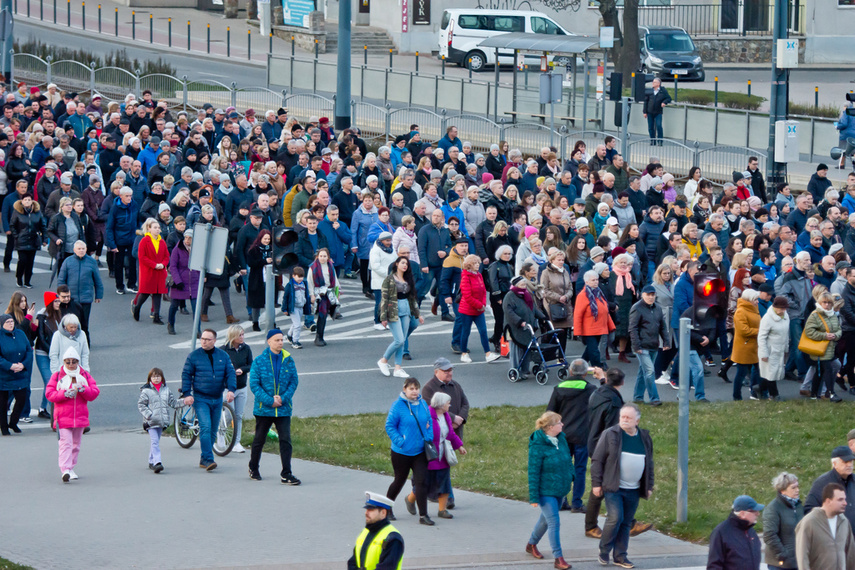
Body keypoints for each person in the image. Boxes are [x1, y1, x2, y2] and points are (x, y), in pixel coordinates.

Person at [591, 404, 654, 569]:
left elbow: (649, 463)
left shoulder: (644, 437)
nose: (624, 420)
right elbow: (597, 460)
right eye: (622, 417)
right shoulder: (610, 434)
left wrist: (649, 486)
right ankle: (604, 550)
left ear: (637, 421)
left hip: (634, 489)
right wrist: (596, 483)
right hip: (614, 487)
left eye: (628, 418)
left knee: (626, 523)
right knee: (615, 518)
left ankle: (620, 556)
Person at [248, 329, 301, 485]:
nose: (280, 343)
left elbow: (293, 382)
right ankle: (253, 467)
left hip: (283, 409)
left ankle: (286, 473)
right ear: (269, 342)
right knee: (259, 439)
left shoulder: (288, 359)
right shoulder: (259, 361)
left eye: (281, 340)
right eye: (277, 340)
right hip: (264, 409)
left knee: (285, 440)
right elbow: (254, 384)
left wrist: (283, 399)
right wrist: (269, 400)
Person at [180, 328, 236, 471]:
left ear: (214, 340)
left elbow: (230, 373)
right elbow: (186, 374)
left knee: (212, 430)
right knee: (205, 427)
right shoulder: (194, 356)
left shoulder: (223, 356)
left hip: (217, 398)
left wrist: (231, 390)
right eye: (202, 339)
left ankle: (204, 458)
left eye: (207, 339)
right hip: (201, 398)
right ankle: (209, 458)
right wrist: (187, 393)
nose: (204, 342)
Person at [546, 358, 596, 514]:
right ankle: (577, 503)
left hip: (562, 436)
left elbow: (549, 413)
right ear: (585, 373)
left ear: (570, 371)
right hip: (582, 435)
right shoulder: (591, 389)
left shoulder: (558, 388)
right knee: (580, 469)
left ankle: (562, 501)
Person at [525, 411, 573, 570]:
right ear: (551, 427)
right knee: (554, 522)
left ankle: (531, 544)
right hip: (545, 491)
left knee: (545, 520)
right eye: (559, 422)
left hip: (560, 489)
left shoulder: (561, 439)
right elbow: (533, 471)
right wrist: (533, 497)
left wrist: (571, 475)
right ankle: (558, 558)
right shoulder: (538, 445)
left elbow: (568, 459)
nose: (562, 424)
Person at [44, 346, 99, 482]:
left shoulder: (84, 376)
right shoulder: (57, 376)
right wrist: (64, 394)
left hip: (80, 417)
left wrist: (83, 389)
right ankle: (65, 469)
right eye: (67, 362)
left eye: (73, 362)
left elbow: (94, 393)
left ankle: (71, 467)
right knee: (66, 444)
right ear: (63, 362)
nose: (70, 364)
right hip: (62, 417)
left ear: (78, 362)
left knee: (75, 445)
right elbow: (49, 394)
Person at [384, 376, 434, 526]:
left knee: (421, 482)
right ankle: (387, 509)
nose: (414, 391)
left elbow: (429, 422)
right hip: (401, 453)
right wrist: (401, 441)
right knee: (399, 480)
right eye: (411, 388)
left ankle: (423, 515)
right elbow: (390, 426)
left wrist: (428, 437)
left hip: (420, 452)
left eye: (416, 388)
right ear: (404, 389)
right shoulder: (398, 406)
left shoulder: (423, 404)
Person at [418, 392, 466, 520]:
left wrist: (459, 446)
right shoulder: (426, 415)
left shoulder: (446, 416)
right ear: (440, 404)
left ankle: (442, 510)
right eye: (448, 403)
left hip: (443, 455)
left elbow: (451, 434)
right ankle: (411, 498)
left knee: (444, 482)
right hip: (430, 455)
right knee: (425, 483)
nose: (450, 405)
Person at [378, 256, 423, 378]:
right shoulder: (389, 279)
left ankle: (398, 368)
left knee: (402, 340)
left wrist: (418, 314)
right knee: (399, 340)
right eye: (403, 263)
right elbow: (384, 298)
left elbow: (412, 297)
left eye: (406, 264)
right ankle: (383, 360)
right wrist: (383, 317)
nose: (405, 265)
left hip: (406, 310)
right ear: (397, 264)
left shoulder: (408, 278)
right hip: (393, 310)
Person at [795, 482, 855, 570]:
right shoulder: (809, 522)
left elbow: (851, 554)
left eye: (845, 499)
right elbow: (802, 557)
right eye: (840, 500)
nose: (845, 503)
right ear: (828, 501)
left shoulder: (844, 522)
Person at [629, 285, 668, 406]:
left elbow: (662, 326)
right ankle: (654, 399)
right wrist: (636, 346)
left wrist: (666, 341)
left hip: (653, 345)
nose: (651, 297)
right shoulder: (637, 308)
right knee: (650, 371)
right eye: (648, 295)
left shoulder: (658, 308)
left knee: (644, 371)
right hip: (642, 346)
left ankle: (638, 397)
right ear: (642, 295)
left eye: (653, 295)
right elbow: (633, 328)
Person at [457, 254, 501, 363]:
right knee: (466, 332)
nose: (477, 265)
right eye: (474, 263)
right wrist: (479, 305)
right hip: (467, 310)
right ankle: (464, 353)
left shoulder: (479, 275)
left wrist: (483, 304)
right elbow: (467, 296)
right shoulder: (465, 277)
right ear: (469, 265)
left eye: (478, 263)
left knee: (483, 331)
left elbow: (483, 291)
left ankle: (488, 354)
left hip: (479, 310)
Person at [57, 240, 104, 340]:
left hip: (86, 298)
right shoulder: (68, 261)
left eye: (83, 249)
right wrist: (61, 295)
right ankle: (69, 340)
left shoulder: (92, 262)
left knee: (84, 323)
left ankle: (85, 342)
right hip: (71, 299)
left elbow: (97, 280)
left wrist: (98, 295)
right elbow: (61, 279)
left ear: (86, 249)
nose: (81, 250)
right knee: (71, 322)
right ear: (74, 250)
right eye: (79, 249)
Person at [347, 492, 405, 570]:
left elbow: (386, 567)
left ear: (383, 513)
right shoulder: (365, 532)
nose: (366, 513)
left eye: (371, 510)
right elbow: (352, 562)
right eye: (366, 509)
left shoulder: (392, 538)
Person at [504, 275, 547, 376]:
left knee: (527, 348)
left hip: (527, 327)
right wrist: (519, 321)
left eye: (524, 284)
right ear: (516, 285)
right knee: (516, 350)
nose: (524, 286)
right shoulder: (510, 296)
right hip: (515, 327)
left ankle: (525, 369)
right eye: (522, 285)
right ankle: (515, 369)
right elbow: (508, 312)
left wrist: (544, 317)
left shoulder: (526, 294)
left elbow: (534, 308)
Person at [804, 291, 843, 401]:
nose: (827, 305)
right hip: (819, 348)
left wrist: (835, 335)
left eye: (829, 302)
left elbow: (839, 329)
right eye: (824, 302)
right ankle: (831, 394)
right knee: (828, 369)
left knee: (820, 371)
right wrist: (824, 336)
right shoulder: (815, 315)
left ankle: (813, 394)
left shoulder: (833, 315)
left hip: (830, 347)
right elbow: (809, 332)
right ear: (820, 303)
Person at [137, 367, 178, 473]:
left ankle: (151, 460)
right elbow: (141, 405)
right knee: (154, 441)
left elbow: (173, 403)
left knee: (155, 441)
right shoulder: (146, 391)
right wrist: (149, 415)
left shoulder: (166, 390)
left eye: (158, 376)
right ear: (150, 379)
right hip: (150, 422)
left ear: (162, 378)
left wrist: (185, 402)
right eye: (153, 376)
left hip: (161, 422)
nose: (156, 378)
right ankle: (157, 462)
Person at [707, 495, 764, 570]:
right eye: (754, 511)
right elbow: (714, 565)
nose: (758, 514)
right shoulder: (721, 532)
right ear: (742, 513)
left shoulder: (750, 531)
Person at [805, 446, 855, 529]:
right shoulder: (822, 483)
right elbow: (809, 511)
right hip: (833, 534)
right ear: (834, 464)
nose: (849, 465)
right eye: (845, 462)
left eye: (851, 461)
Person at [0, 313, 34, 435]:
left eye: (11, 321)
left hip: (20, 372)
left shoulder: (20, 334)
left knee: (21, 399)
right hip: (4, 375)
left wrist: (23, 365)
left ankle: (13, 422)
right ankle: (4, 426)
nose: (10, 324)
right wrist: (10, 366)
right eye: (7, 322)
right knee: (2, 403)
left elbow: (28, 351)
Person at [574, 270, 615, 368]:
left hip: (600, 328)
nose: (596, 282)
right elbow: (578, 314)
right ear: (586, 282)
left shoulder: (599, 293)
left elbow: (605, 311)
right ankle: (598, 368)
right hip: (589, 329)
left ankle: (578, 367)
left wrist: (611, 325)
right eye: (593, 280)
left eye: (597, 279)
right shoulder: (583, 295)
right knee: (594, 352)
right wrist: (577, 331)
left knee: (590, 350)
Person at [762, 472, 803, 570]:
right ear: (782, 490)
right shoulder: (773, 508)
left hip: (797, 562)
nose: (797, 490)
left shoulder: (798, 506)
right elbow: (769, 535)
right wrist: (783, 554)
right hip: (780, 564)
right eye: (793, 488)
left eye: (797, 486)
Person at [222, 325, 252, 454]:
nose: (242, 337)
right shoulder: (223, 350)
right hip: (227, 388)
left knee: (238, 415)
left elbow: (250, 364)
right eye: (240, 335)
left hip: (242, 386)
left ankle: (236, 442)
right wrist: (230, 372)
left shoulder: (246, 348)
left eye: (243, 334)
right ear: (233, 336)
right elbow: (219, 367)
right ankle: (220, 436)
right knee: (229, 415)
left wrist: (242, 370)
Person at [133, 218, 168, 325]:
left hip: (159, 271)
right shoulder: (144, 241)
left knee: (158, 293)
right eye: (155, 227)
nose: (158, 229)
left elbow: (166, 256)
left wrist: (163, 264)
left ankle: (156, 316)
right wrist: (154, 265)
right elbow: (142, 257)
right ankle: (137, 307)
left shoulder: (162, 242)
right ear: (149, 229)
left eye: (158, 228)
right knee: (145, 292)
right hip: (148, 271)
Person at [540, 248, 574, 351]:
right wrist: (558, 297)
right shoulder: (546, 272)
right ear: (552, 260)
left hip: (565, 305)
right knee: (552, 333)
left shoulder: (565, 272)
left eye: (562, 260)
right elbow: (544, 290)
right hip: (552, 306)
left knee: (563, 333)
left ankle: (561, 356)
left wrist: (566, 296)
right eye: (559, 260)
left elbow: (570, 288)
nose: (561, 262)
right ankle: (549, 354)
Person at [732, 289, 763, 401]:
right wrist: (760, 331)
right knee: (741, 374)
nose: (757, 301)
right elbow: (744, 331)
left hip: (754, 346)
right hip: (744, 348)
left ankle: (757, 393)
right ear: (749, 300)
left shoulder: (754, 308)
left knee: (759, 371)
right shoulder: (740, 312)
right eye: (755, 299)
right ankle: (737, 397)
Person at [757, 296, 791, 401]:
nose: (783, 310)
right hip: (769, 350)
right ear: (775, 307)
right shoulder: (767, 319)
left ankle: (759, 388)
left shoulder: (786, 316)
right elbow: (761, 337)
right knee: (771, 373)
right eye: (781, 308)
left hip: (780, 349)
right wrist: (763, 353)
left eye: (784, 308)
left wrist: (786, 348)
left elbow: (786, 334)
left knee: (774, 372)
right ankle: (774, 395)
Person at [167, 230, 200, 336]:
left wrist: (201, 276)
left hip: (193, 281)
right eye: (186, 238)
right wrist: (178, 281)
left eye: (189, 238)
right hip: (180, 281)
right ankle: (171, 324)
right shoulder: (177, 249)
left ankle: (197, 330)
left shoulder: (197, 249)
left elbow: (200, 265)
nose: (187, 240)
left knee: (196, 307)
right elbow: (173, 266)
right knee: (174, 305)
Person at [307, 248, 338, 347]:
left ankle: (321, 337)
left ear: (328, 257)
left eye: (325, 256)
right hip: (319, 294)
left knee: (326, 315)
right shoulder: (313, 267)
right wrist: (312, 295)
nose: (322, 258)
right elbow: (310, 282)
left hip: (329, 292)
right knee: (322, 314)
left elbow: (335, 279)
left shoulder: (330, 266)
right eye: (321, 256)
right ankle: (318, 337)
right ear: (317, 256)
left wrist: (337, 292)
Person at [246, 229, 273, 332]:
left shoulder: (271, 249)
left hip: (269, 278)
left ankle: (272, 322)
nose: (267, 241)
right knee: (256, 303)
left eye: (268, 239)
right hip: (257, 278)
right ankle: (255, 322)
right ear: (260, 238)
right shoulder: (254, 250)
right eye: (265, 239)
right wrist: (264, 261)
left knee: (270, 301)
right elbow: (251, 263)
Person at [282, 266, 311, 349]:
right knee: (297, 325)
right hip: (293, 308)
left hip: (301, 306)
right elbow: (285, 298)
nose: (300, 279)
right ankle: (295, 341)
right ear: (293, 276)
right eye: (299, 277)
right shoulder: (290, 285)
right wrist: (284, 308)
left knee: (295, 324)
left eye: (302, 277)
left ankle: (289, 335)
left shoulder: (304, 284)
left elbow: (306, 295)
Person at [643, 78, 671, 146]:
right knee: (650, 127)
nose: (653, 83)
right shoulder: (650, 91)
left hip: (658, 112)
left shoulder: (662, 91)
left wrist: (664, 102)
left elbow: (668, 98)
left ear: (658, 84)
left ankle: (660, 141)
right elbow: (646, 101)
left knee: (659, 126)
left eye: (654, 82)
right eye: (653, 82)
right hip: (650, 111)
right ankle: (652, 140)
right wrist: (644, 112)